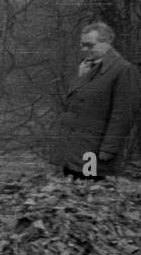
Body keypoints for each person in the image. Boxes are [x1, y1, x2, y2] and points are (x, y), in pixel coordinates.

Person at [53, 21, 139, 179]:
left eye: (89, 45)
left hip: (95, 152)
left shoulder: (124, 70)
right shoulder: (86, 67)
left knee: (89, 195)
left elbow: (123, 115)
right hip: (74, 150)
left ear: (106, 43)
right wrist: (82, 77)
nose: (84, 49)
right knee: (71, 196)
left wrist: (108, 150)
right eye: (82, 45)